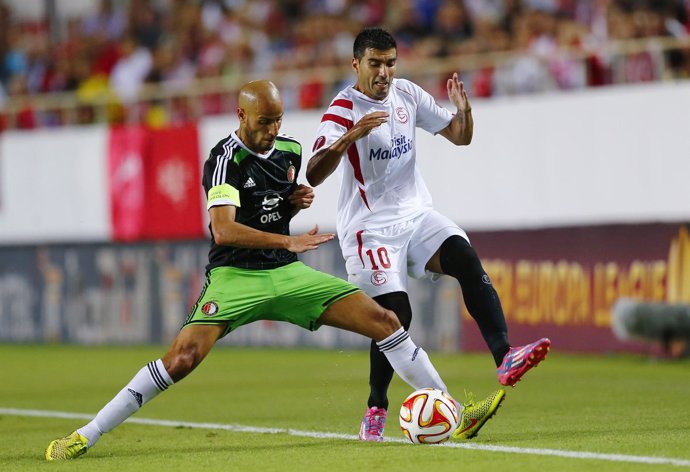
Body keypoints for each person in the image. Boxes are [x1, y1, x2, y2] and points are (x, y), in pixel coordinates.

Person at [45, 80, 504, 461]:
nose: (272, 129)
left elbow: (272, 200)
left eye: (278, 120)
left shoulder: (288, 150)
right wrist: (288, 237)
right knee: (181, 359)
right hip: (236, 277)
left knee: (387, 322)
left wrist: (291, 201)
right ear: (241, 117)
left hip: (287, 272)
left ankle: (454, 414)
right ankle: (87, 433)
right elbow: (224, 231)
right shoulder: (223, 159)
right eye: (264, 122)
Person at [306, 28, 551, 442]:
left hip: (414, 214)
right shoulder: (342, 108)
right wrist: (353, 134)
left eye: (390, 62)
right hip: (369, 230)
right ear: (356, 65)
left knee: (464, 255)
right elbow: (313, 173)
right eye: (375, 64)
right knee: (394, 317)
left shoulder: (408, 95)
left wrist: (464, 112)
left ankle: (505, 355)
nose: (384, 72)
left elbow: (460, 136)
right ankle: (376, 407)